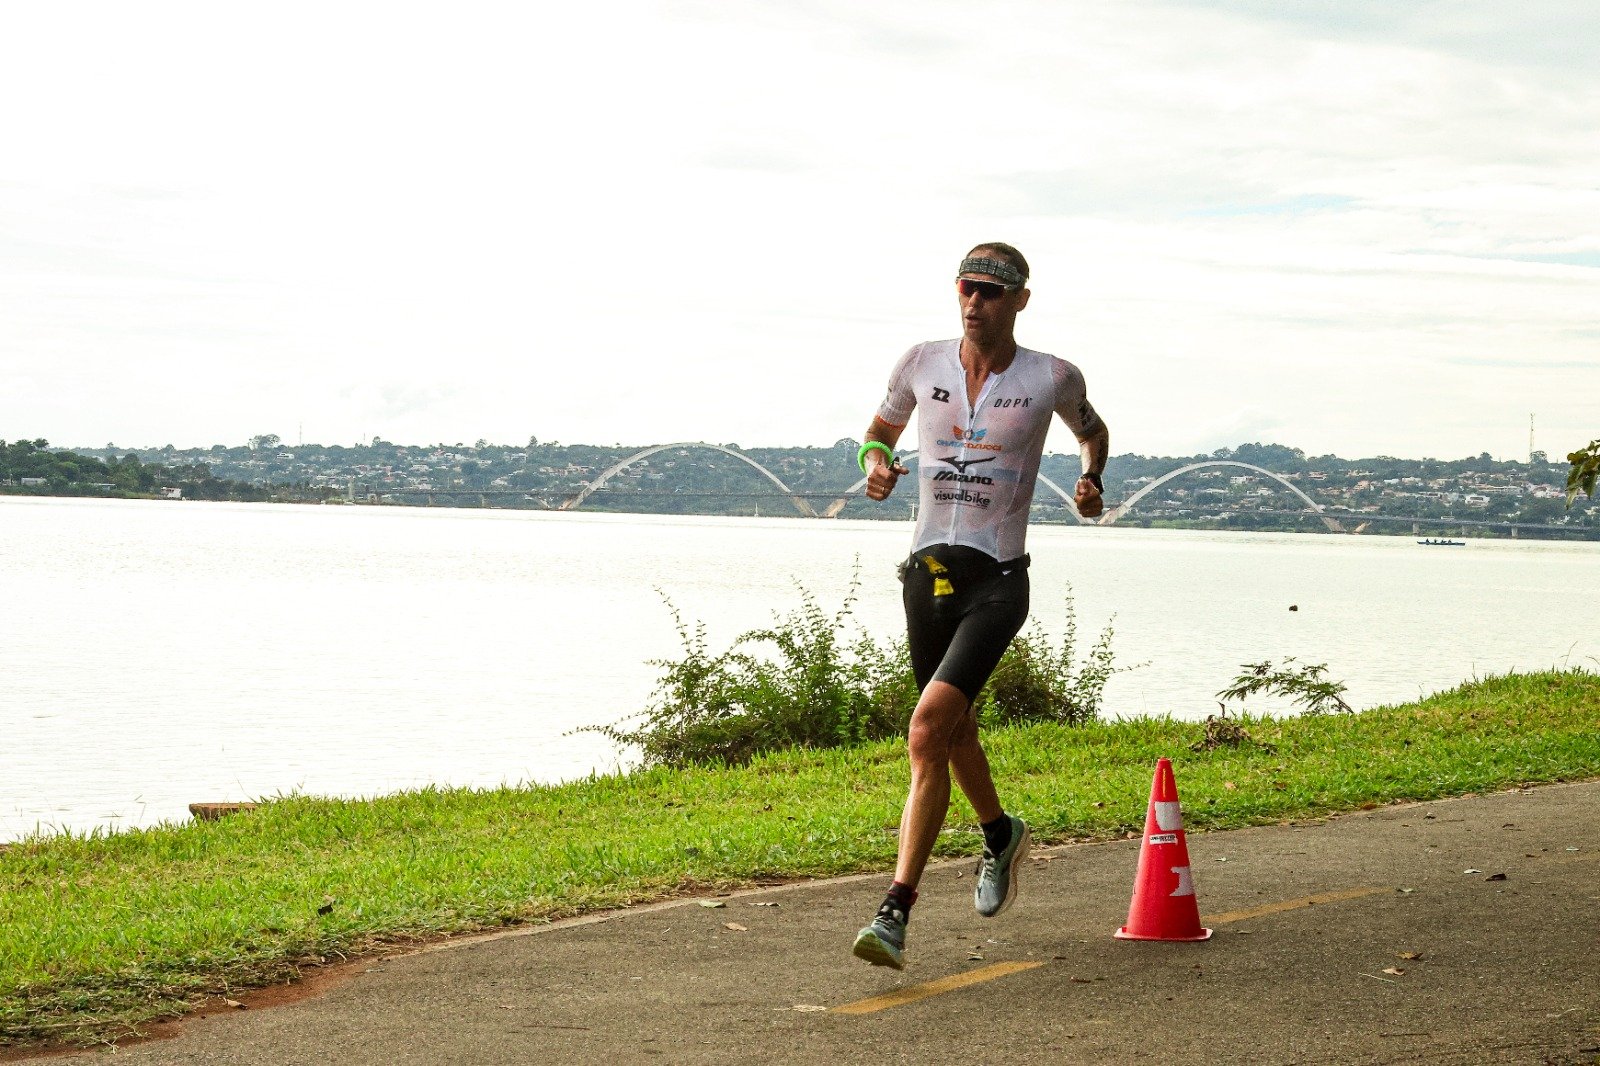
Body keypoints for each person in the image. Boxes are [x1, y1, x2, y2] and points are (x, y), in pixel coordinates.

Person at [851, 242, 1110, 970]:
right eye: (968, 288)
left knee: (927, 727)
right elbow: (877, 433)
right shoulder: (920, 363)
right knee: (951, 728)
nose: (977, 302)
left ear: (1020, 300)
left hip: (998, 577)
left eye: (993, 293)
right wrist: (875, 466)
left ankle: (896, 909)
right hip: (927, 574)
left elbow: (1092, 431)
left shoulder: (1051, 376)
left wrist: (1092, 481)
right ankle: (999, 834)